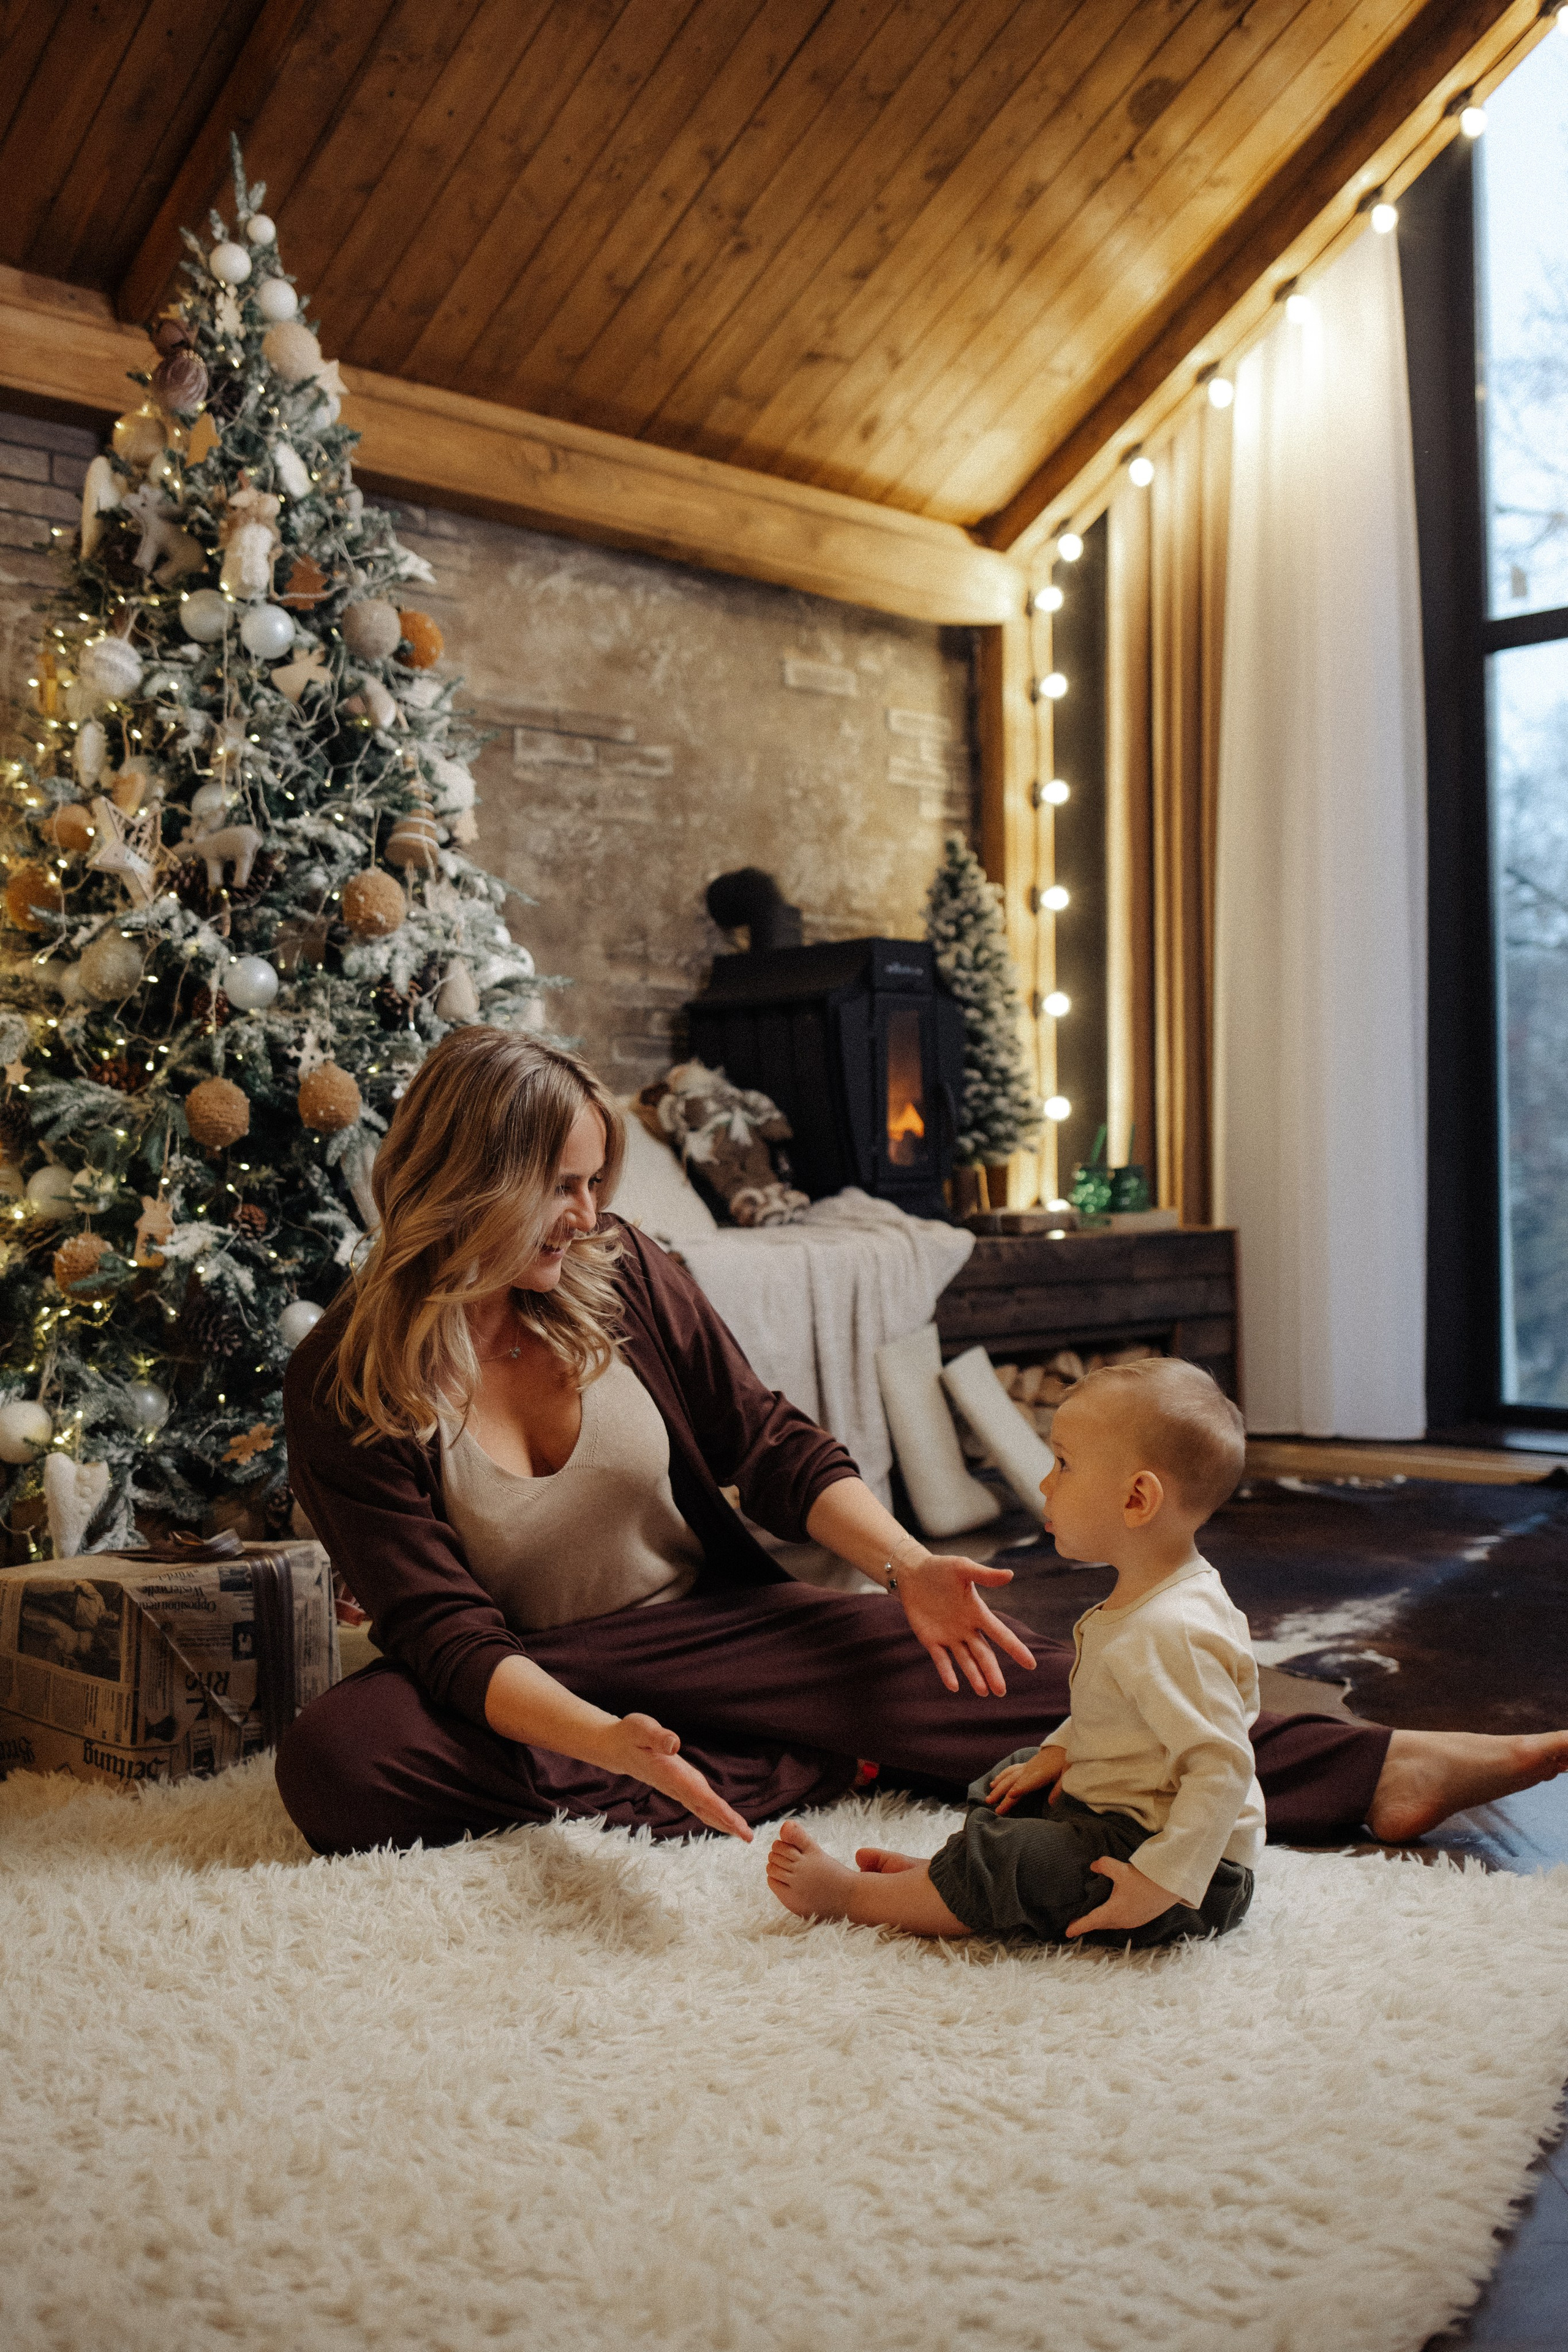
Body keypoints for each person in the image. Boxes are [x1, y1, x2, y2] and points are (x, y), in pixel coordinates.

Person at [276, 1027, 1568, 1860]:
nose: (585, 1216)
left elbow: (771, 1447)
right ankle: (761, 1758)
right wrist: (603, 1736)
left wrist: (904, 1569)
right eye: (558, 1186)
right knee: (342, 1760)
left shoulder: (630, 1279)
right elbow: (447, 1638)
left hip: (712, 1637)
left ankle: (1376, 1770)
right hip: (524, 1678)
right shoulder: (348, 1377)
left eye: (596, 1184)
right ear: (466, 1178)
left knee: (985, 1672)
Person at [766, 1359, 1262, 1945]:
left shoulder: (1172, 1629)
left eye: (1064, 1464)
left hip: (1185, 1878)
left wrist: (1158, 1883)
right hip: (1123, 1818)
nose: (1047, 1483)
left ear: (1137, 1499)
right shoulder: (1148, 1599)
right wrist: (1061, 1751)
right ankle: (947, 1884)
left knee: (1014, 1856)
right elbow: (1123, 1720)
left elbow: (1222, 1768)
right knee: (1012, 1780)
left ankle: (858, 1896)